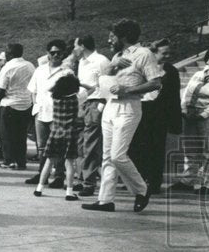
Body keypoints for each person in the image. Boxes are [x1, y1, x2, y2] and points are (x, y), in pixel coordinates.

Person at [82, 19, 164, 213]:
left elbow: (156, 82)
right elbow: (103, 82)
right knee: (107, 156)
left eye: (112, 37)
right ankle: (105, 200)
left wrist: (129, 89)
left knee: (118, 156)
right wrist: (112, 66)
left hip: (129, 107)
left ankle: (141, 190)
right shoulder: (117, 56)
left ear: (124, 37)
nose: (109, 40)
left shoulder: (144, 54)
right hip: (110, 106)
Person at [169, 45, 209, 196]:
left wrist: (204, 114)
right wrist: (184, 109)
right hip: (191, 114)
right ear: (207, 60)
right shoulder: (197, 74)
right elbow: (187, 93)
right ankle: (188, 180)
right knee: (191, 149)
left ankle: (208, 184)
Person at [128, 38, 181, 194]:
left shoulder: (171, 71)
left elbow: (174, 97)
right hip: (140, 111)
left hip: (159, 115)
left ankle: (154, 182)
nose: (167, 56)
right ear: (153, 53)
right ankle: (138, 180)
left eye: (169, 53)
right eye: (164, 53)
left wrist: (175, 121)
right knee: (138, 146)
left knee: (156, 148)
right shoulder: (141, 68)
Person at [25, 39, 73, 186]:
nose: (56, 55)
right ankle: (42, 175)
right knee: (42, 146)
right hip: (41, 113)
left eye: (59, 53)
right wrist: (36, 105)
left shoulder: (67, 72)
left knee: (58, 145)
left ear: (63, 54)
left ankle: (59, 176)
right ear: (48, 54)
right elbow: (32, 90)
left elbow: (72, 94)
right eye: (53, 52)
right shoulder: (40, 70)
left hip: (57, 114)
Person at [72, 35, 112, 196]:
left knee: (91, 144)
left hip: (96, 104)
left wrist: (100, 107)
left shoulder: (101, 61)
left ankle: (89, 182)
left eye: (75, 45)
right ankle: (83, 178)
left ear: (82, 46)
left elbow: (107, 85)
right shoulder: (82, 62)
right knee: (81, 143)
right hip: (83, 103)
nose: (74, 49)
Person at [33, 74, 82, 201]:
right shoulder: (77, 98)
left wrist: (58, 85)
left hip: (55, 133)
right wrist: (80, 84)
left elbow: (49, 89)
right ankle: (69, 192)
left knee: (49, 161)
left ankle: (39, 188)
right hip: (70, 134)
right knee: (69, 163)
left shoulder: (54, 98)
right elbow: (92, 89)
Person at [0, 43, 35, 170]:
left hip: (10, 104)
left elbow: (0, 89)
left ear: (10, 54)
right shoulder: (30, 66)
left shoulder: (8, 67)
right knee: (21, 134)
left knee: (6, 134)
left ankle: (8, 160)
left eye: (6, 52)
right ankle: (21, 161)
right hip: (26, 104)